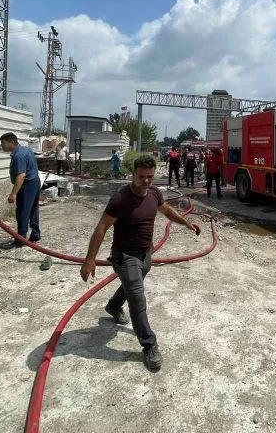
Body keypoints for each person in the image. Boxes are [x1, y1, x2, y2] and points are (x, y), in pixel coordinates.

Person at [80, 155, 201, 371]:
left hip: (145, 253)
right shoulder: (121, 199)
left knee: (132, 285)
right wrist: (89, 259)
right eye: (141, 176)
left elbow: (166, 210)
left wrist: (186, 223)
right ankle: (149, 345)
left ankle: (113, 306)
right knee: (137, 298)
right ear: (133, 175)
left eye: (150, 177)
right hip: (125, 256)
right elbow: (101, 228)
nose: (145, 181)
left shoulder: (154, 193)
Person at [0, 132, 41, 248]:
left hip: (27, 185)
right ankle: (35, 235)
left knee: (22, 211)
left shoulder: (19, 155)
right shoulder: (26, 149)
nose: (1, 146)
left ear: (12, 142)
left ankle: (20, 239)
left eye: (3, 143)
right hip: (34, 181)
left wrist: (13, 194)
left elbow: (21, 175)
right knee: (33, 209)